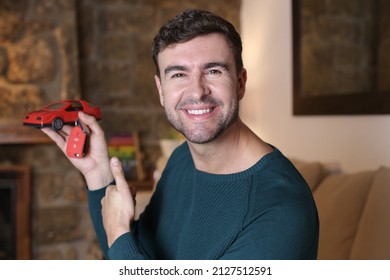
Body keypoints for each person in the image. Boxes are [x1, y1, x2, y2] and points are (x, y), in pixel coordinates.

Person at [43, 9, 319, 260]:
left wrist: (118, 232)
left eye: (213, 71)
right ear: (161, 90)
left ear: (240, 83)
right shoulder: (181, 160)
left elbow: (121, 244)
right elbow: (129, 253)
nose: (197, 91)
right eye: (178, 75)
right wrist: (98, 175)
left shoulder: (281, 208)